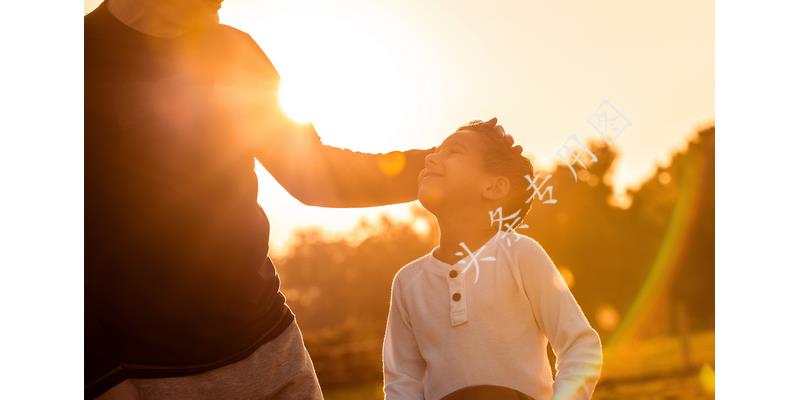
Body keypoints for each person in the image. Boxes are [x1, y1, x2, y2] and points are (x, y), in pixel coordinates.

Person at [84, 0, 435, 398]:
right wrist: (98, 376)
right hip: (151, 376)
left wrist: (439, 165)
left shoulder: (233, 51)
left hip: (277, 353)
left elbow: (313, 175)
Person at [382, 119, 603, 400]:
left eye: (454, 151)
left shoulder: (521, 255)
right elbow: (402, 381)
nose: (431, 157)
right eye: (436, 151)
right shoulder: (407, 283)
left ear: (494, 188)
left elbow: (580, 345)